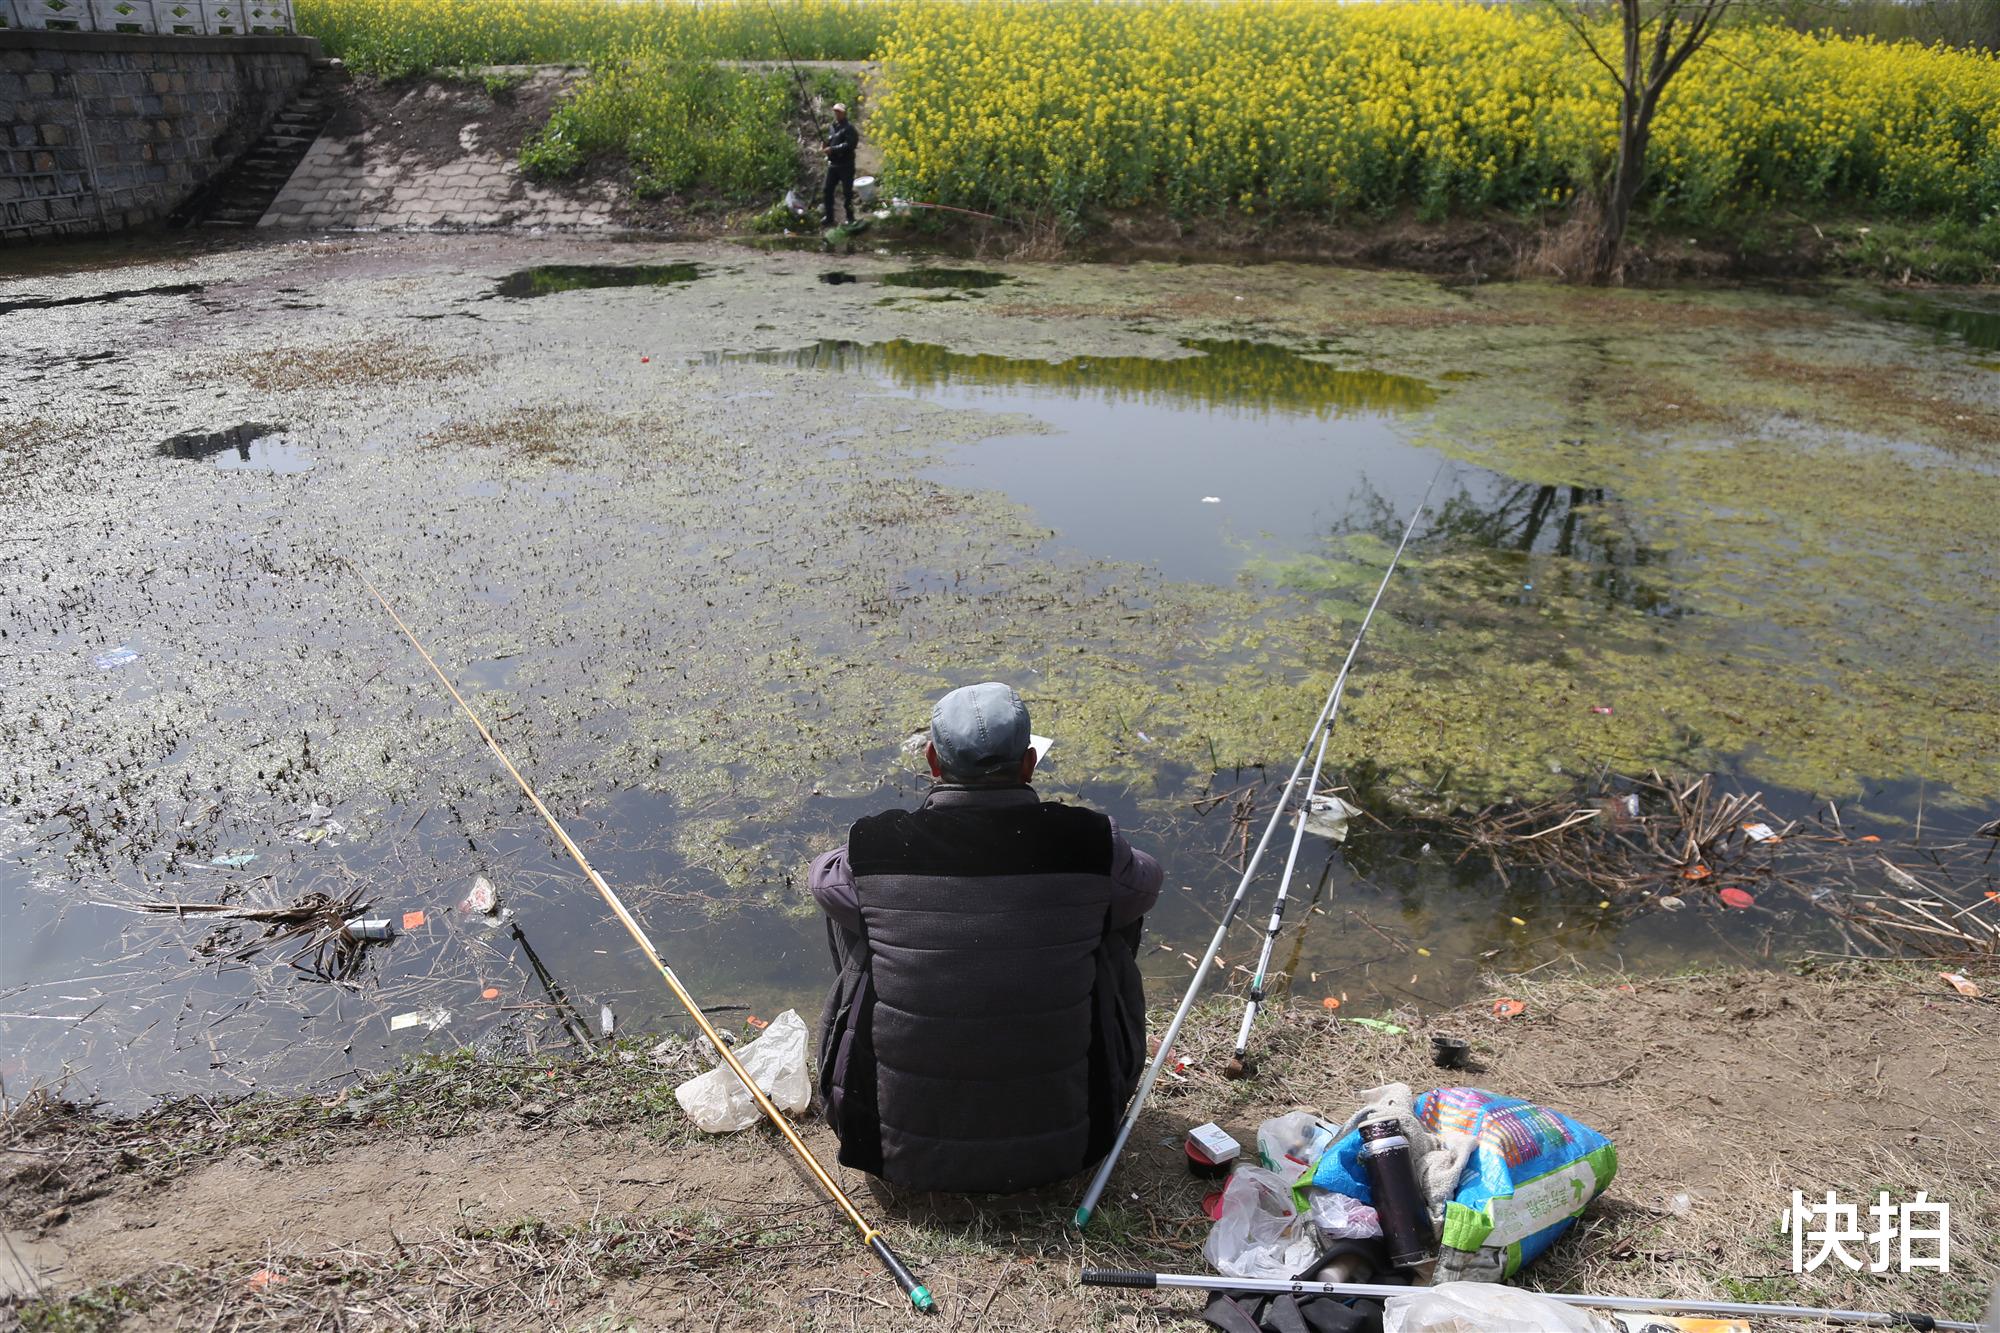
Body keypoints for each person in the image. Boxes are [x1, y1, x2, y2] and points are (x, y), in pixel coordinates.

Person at [810, 682, 1163, 1196]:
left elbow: (823, 878)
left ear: (932, 760)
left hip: (892, 1150)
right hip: (1070, 1146)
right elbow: (1146, 881)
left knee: (857, 913)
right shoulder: (1090, 841)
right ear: (1028, 764)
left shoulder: (876, 846)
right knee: (1110, 913)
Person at [822, 101, 860, 227]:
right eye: (835, 112)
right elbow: (831, 140)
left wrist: (833, 149)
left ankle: (850, 218)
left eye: (839, 112)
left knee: (847, 193)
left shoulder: (849, 128)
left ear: (844, 113)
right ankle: (829, 217)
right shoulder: (833, 126)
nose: (837, 114)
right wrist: (826, 146)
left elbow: (850, 145)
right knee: (827, 190)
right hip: (833, 164)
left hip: (846, 165)